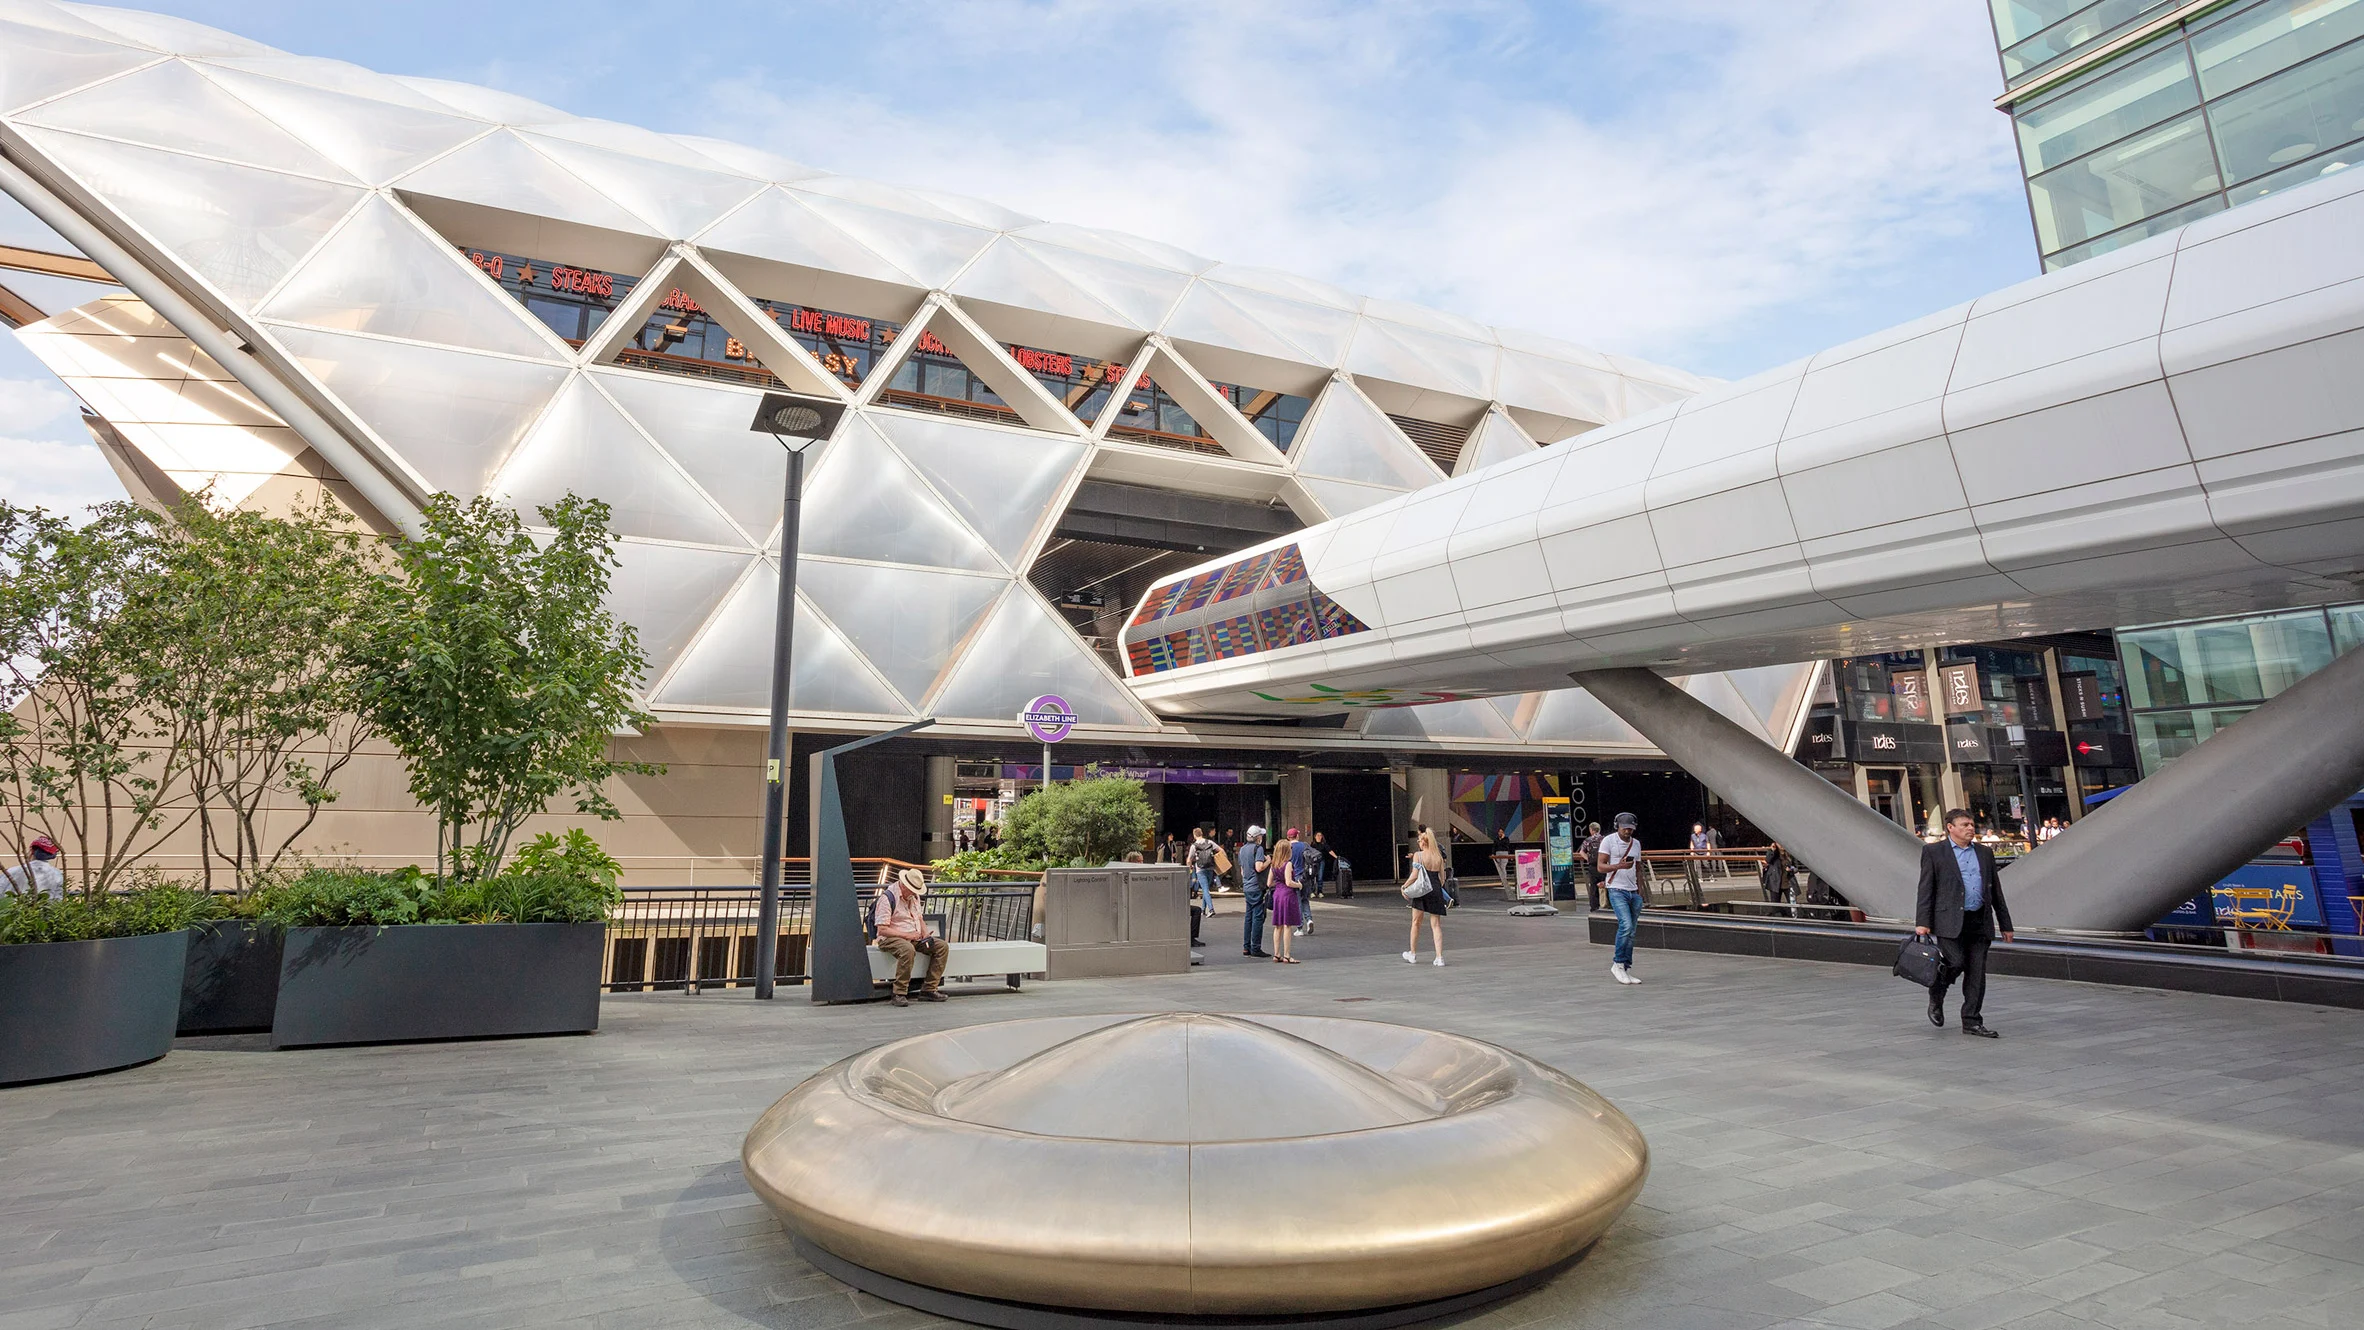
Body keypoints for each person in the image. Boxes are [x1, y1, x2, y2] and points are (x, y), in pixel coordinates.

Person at [1917, 808, 2016, 1038]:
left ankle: (1971, 1020)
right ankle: (1937, 991)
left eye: (1972, 824)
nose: (1971, 828)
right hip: (1949, 920)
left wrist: (2005, 924)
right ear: (1950, 828)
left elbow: (1996, 891)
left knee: (1977, 973)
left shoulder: (1984, 853)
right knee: (1956, 962)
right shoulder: (1934, 852)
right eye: (1964, 825)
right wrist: (1922, 922)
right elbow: (1926, 889)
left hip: (1979, 920)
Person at [872, 868, 949, 1007]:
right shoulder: (887, 898)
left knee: (941, 947)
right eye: (912, 890)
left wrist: (925, 934)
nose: (914, 893)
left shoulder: (914, 897)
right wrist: (907, 935)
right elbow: (882, 929)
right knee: (907, 949)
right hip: (891, 938)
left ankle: (929, 988)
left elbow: (919, 918)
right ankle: (899, 992)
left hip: (914, 936)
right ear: (904, 885)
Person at [1599, 812, 1644, 985]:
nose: (1628, 831)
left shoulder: (1636, 844)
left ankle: (1626, 967)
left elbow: (1638, 868)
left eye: (1631, 829)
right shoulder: (1608, 841)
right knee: (1625, 925)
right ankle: (1617, 963)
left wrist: (1640, 891)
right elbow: (1601, 866)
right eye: (1625, 828)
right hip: (1616, 888)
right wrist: (1619, 865)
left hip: (1633, 890)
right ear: (1617, 826)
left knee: (1631, 931)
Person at [1403, 827, 1448, 966]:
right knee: (1436, 925)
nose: (1418, 843)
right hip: (1435, 889)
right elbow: (1443, 878)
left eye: (1419, 840)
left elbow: (1414, 875)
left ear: (1423, 842)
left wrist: (1404, 886)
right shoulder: (1438, 856)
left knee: (1416, 922)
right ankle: (1439, 957)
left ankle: (1413, 953)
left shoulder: (1419, 855)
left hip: (1422, 890)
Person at [1268, 833, 1304, 963]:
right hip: (1287, 895)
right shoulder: (1287, 864)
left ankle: (1276, 954)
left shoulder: (1274, 864)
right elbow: (1289, 882)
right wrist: (1299, 885)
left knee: (1278, 926)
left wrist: (1278, 884)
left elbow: (1268, 883)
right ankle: (1287, 955)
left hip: (1277, 894)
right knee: (1287, 925)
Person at [1239, 826, 1271, 958]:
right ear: (1257, 837)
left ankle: (1246, 947)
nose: (1262, 838)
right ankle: (1256, 947)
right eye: (1261, 836)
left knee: (1248, 917)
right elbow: (1259, 867)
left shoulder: (1242, 849)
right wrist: (1268, 860)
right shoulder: (1258, 849)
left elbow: (1242, 871)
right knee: (1258, 917)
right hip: (1256, 887)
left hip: (1247, 886)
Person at [1285, 827, 1315, 936]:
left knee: (1297, 902)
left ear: (1288, 837)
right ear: (1297, 835)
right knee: (1305, 899)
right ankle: (1309, 920)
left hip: (1294, 877)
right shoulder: (1304, 845)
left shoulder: (1288, 847)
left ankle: (1299, 928)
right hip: (1305, 876)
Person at [1187, 826, 1218, 918]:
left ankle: (1211, 909)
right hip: (1210, 868)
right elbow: (1221, 851)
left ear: (1194, 835)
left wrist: (1190, 867)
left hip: (1200, 869)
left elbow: (1189, 859)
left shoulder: (1194, 846)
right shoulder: (1210, 842)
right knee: (1206, 888)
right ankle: (1203, 909)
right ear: (1202, 834)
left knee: (1205, 889)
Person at [1579, 822, 1604, 910]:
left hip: (1592, 866)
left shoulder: (1588, 840)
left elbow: (1581, 852)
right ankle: (1606, 904)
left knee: (1593, 886)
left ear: (1591, 830)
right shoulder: (1604, 839)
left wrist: (1588, 859)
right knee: (1605, 885)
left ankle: (1594, 907)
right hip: (1603, 865)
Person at [1759, 840, 1792, 905]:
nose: (1782, 845)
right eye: (1779, 843)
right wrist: (1772, 851)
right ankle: (1777, 913)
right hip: (1775, 882)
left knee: (1792, 902)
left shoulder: (1789, 855)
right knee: (1775, 904)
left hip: (1787, 882)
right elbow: (1768, 860)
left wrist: (1791, 869)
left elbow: (1795, 867)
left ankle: (1792, 914)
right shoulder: (1773, 854)